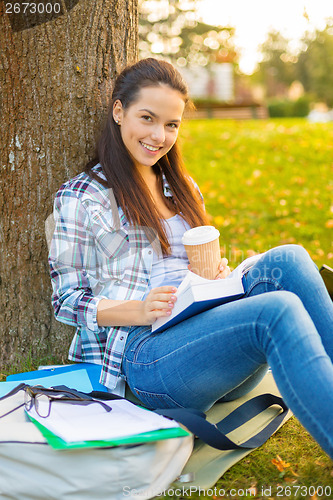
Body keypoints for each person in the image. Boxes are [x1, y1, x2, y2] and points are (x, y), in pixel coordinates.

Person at [49, 58, 333, 458]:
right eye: (147, 118)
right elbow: (66, 300)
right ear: (118, 111)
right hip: (149, 363)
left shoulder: (180, 187)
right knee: (278, 310)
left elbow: (193, 274)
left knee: (289, 258)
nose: (158, 135)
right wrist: (139, 310)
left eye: (171, 124)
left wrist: (217, 277)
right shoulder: (82, 197)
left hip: (210, 351)